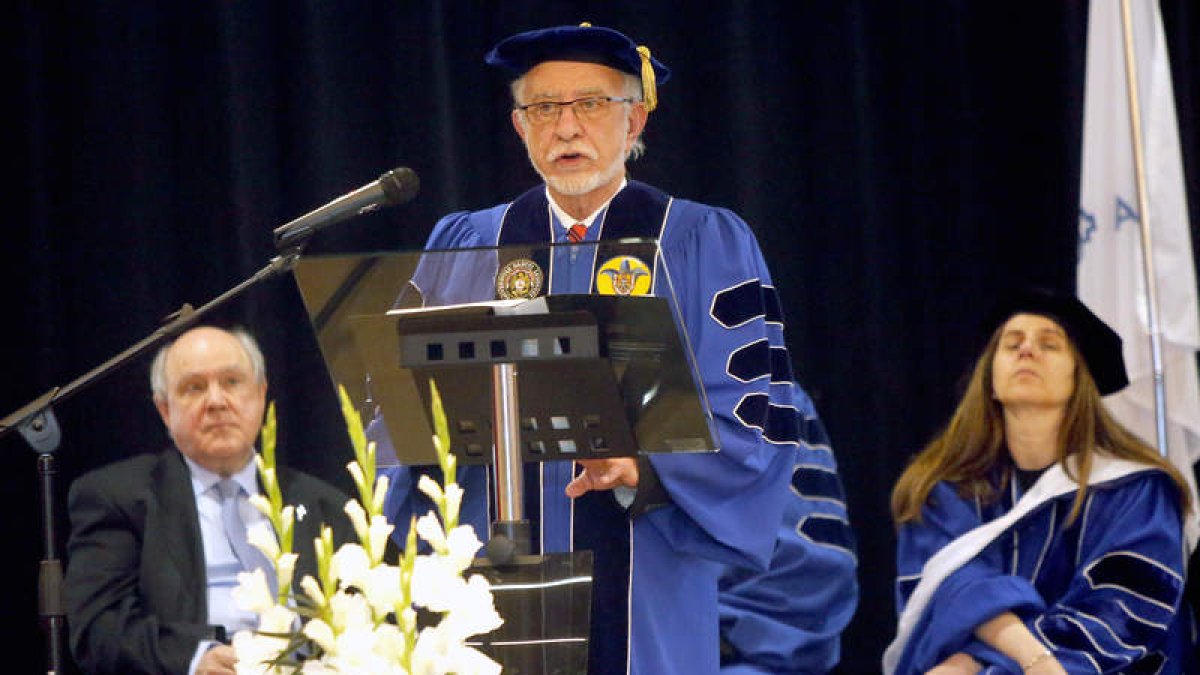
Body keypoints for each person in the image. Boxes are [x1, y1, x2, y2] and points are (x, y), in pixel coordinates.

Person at [373, 23, 858, 675]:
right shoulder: (467, 242)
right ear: (520, 126)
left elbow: (751, 412)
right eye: (544, 107)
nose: (566, 127)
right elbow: (400, 413)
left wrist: (644, 467)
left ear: (634, 121)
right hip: (486, 576)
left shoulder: (699, 241)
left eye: (591, 104)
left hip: (649, 577)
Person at [884, 288, 1195, 674]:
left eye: (1049, 344)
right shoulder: (941, 490)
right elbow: (952, 593)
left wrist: (979, 661)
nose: (1026, 351)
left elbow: (1119, 615)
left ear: (1080, 379)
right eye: (1012, 343)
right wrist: (1025, 657)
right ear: (991, 380)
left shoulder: (1135, 492)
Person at [64, 326, 353, 675]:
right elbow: (99, 628)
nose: (216, 401)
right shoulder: (119, 499)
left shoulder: (324, 504)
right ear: (164, 410)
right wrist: (194, 657)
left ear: (261, 394)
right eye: (194, 388)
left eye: (232, 382)